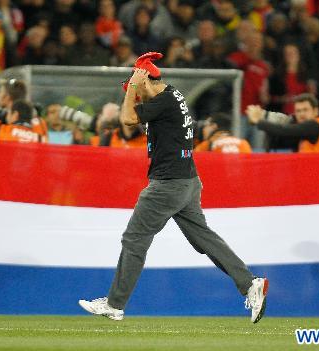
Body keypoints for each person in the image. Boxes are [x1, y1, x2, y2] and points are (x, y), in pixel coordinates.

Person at [78, 52, 268, 322]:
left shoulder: (163, 100)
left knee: (134, 239)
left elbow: (127, 119)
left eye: (134, 87)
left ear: (144, 80)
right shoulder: (171, 96)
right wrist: (136, 85)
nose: (133, 95)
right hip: (187, 182)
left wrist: (133, 87)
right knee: (204, 239)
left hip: (168, 185)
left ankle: (114, 303)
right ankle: (250, 283)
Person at [246, 93, 319, 153]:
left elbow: (283, 130)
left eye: (305, 110)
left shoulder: (315, 125)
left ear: (315, 111)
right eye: (298, 111)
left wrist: (258, 121)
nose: (302, 114)